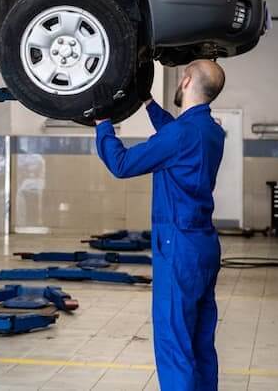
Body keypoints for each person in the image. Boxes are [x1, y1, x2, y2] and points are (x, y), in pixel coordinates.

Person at [92, 59, 226, 391]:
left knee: (174, 342)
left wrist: (102, 123)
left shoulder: (182, 134)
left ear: (187, 80)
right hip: (204, 245)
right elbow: (174, 134)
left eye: (183, 73)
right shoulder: (211, 131)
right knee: (200, 341)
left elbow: (122, 164)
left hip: (178, 246)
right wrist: (147, 102)